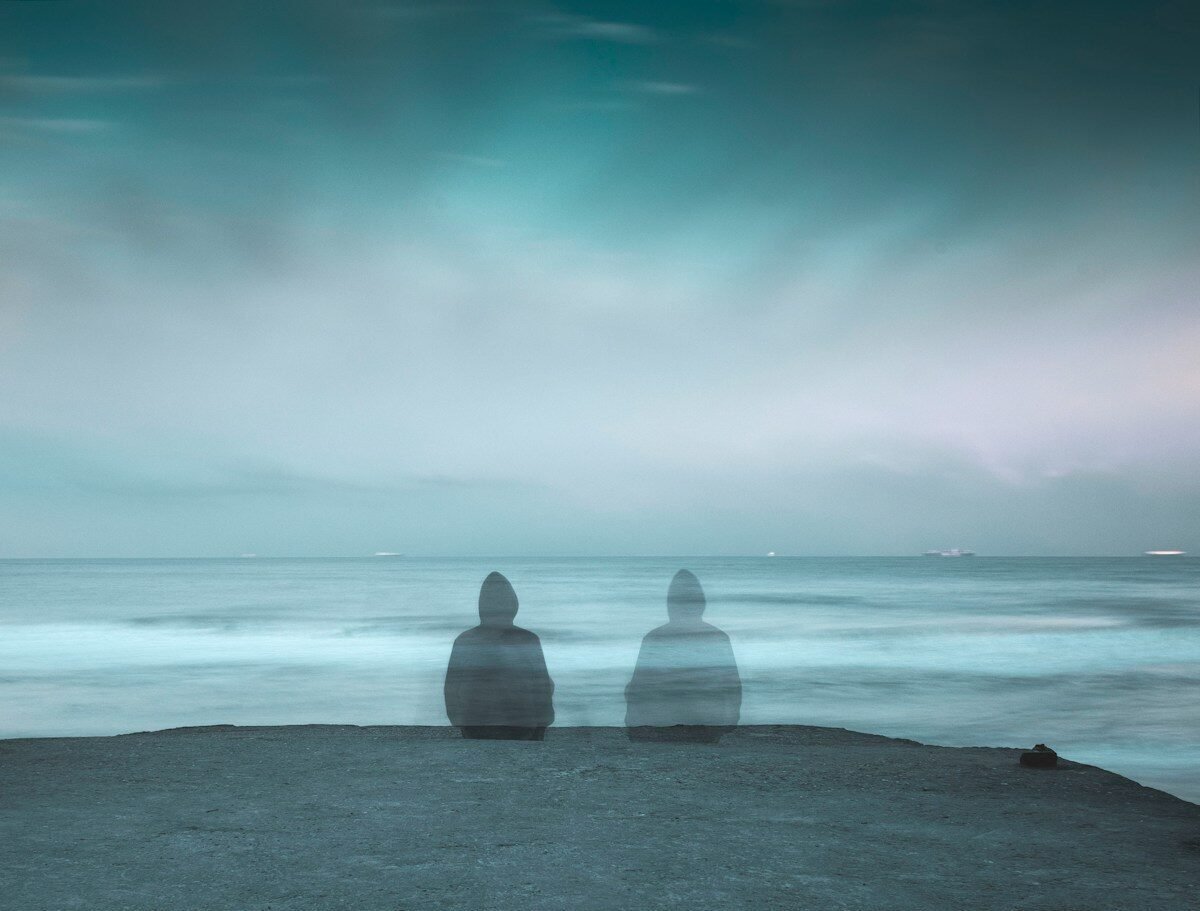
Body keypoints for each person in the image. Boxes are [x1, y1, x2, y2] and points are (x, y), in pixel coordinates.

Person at [625, 569, 741, 743]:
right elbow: (733, 688)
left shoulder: (655, 638)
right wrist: (729, 723)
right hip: (708, 725)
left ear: (670, 604)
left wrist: (633, 726)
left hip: (662, 724)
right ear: (701, 603)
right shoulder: (718, 637)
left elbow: (636, 689)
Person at [444, 571, 555, 740]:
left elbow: (451, 690)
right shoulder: (528, 639)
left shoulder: (465, 640)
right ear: (513, 603)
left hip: (476, 726)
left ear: (482, 605)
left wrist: (460, 720)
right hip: (523, 726)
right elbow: (543, 688)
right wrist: (543, 723)